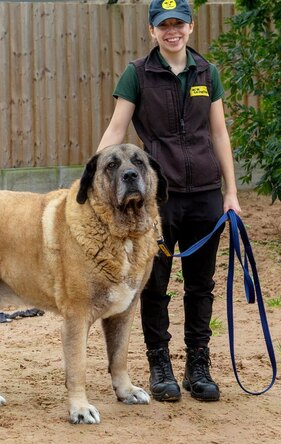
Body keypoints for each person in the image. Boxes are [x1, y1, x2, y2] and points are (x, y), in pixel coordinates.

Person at [96, 0, 241, 402]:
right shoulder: (137, 74)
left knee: (201, 284)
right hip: (156, 202)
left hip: (206, 197)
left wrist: (230, 192)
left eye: (179, 24)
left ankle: (199, 365)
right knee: (155, 284)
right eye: (164, 25)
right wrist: (92, 179)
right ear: (152, 30)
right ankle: (160, 365)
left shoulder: (207, 73)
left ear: (191, 27)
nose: (172, 31)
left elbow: (219, 134)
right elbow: (116, 128)